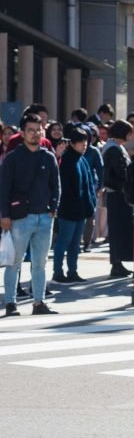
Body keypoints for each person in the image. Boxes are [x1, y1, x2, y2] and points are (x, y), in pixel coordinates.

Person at [0, 112, 60, 316]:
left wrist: (54, 208)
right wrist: (4, 215)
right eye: (31, 130)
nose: (35, 134)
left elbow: (56, 186)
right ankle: (10, 303)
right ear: (23, 133)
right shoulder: (12, 158)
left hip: (45, 217)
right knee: (14, 262)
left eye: (38, 130)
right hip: (19, 218)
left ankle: (39, 302)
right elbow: (4, 188)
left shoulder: (49, 156)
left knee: (40, 263)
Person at [52, 126, 96, 284]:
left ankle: (73, 271)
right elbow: (64, 187)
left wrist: (91, 205)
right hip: (68, 209)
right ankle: (57, 272)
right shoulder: (66, 160)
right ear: (72, 143)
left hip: (81, 209)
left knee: (76, 243)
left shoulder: (82, 159)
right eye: (81, 143)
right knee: (64, 241)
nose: (84, 146)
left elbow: (89, 184)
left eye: (86, 143)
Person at [103, 120, 134, 278]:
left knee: (117, 228)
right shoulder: (114, 149)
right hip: (117, 193)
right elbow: (121, 172)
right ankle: (116, 264)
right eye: (129, 132)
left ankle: (118, 263)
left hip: (116, 192)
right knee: (117, 229)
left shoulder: (114, 146)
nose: (131, 136)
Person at [81, 123, 104, 253]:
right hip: (76, 186)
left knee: (90, 216)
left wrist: (101, 186)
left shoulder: (93, 151)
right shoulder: (71, 150)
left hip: (91, 186)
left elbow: (101, 169)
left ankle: (87, 243)